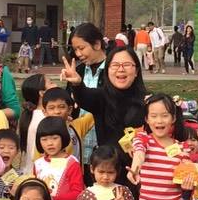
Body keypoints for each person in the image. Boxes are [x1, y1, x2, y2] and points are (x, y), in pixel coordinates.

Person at [63, 45, 147, 175]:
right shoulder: (101, 97)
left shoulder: (148, 101)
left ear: (136, 71)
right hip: (108, 174)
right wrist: (77, 83)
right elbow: (84, 97)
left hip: (141, 172)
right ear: (107, 70)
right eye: (115, 65)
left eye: (127, 64)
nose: (121, 69)